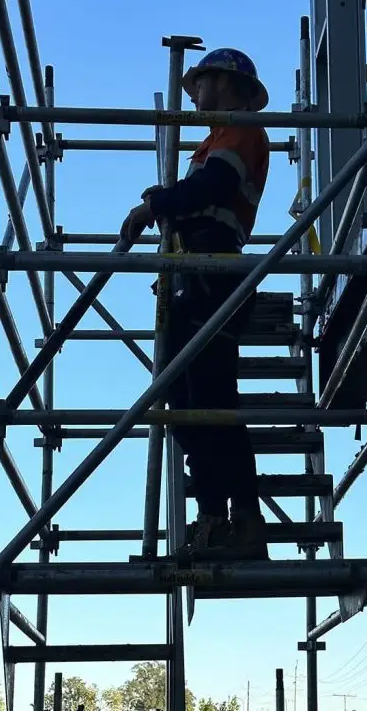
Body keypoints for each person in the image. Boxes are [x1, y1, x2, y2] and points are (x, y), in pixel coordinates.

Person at [121, 48, 271, 561]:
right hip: (194, 276)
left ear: (225, 81)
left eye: (201, 82)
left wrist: (156, 204)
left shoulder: (240, 129)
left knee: (208, 404)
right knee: (186, 408)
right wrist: (164, 203)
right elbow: (200, 190)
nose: (195, 94)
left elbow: (215, 185)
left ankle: (231, 519)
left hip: (213, 274)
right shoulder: (217, 138)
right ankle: (223, 515)